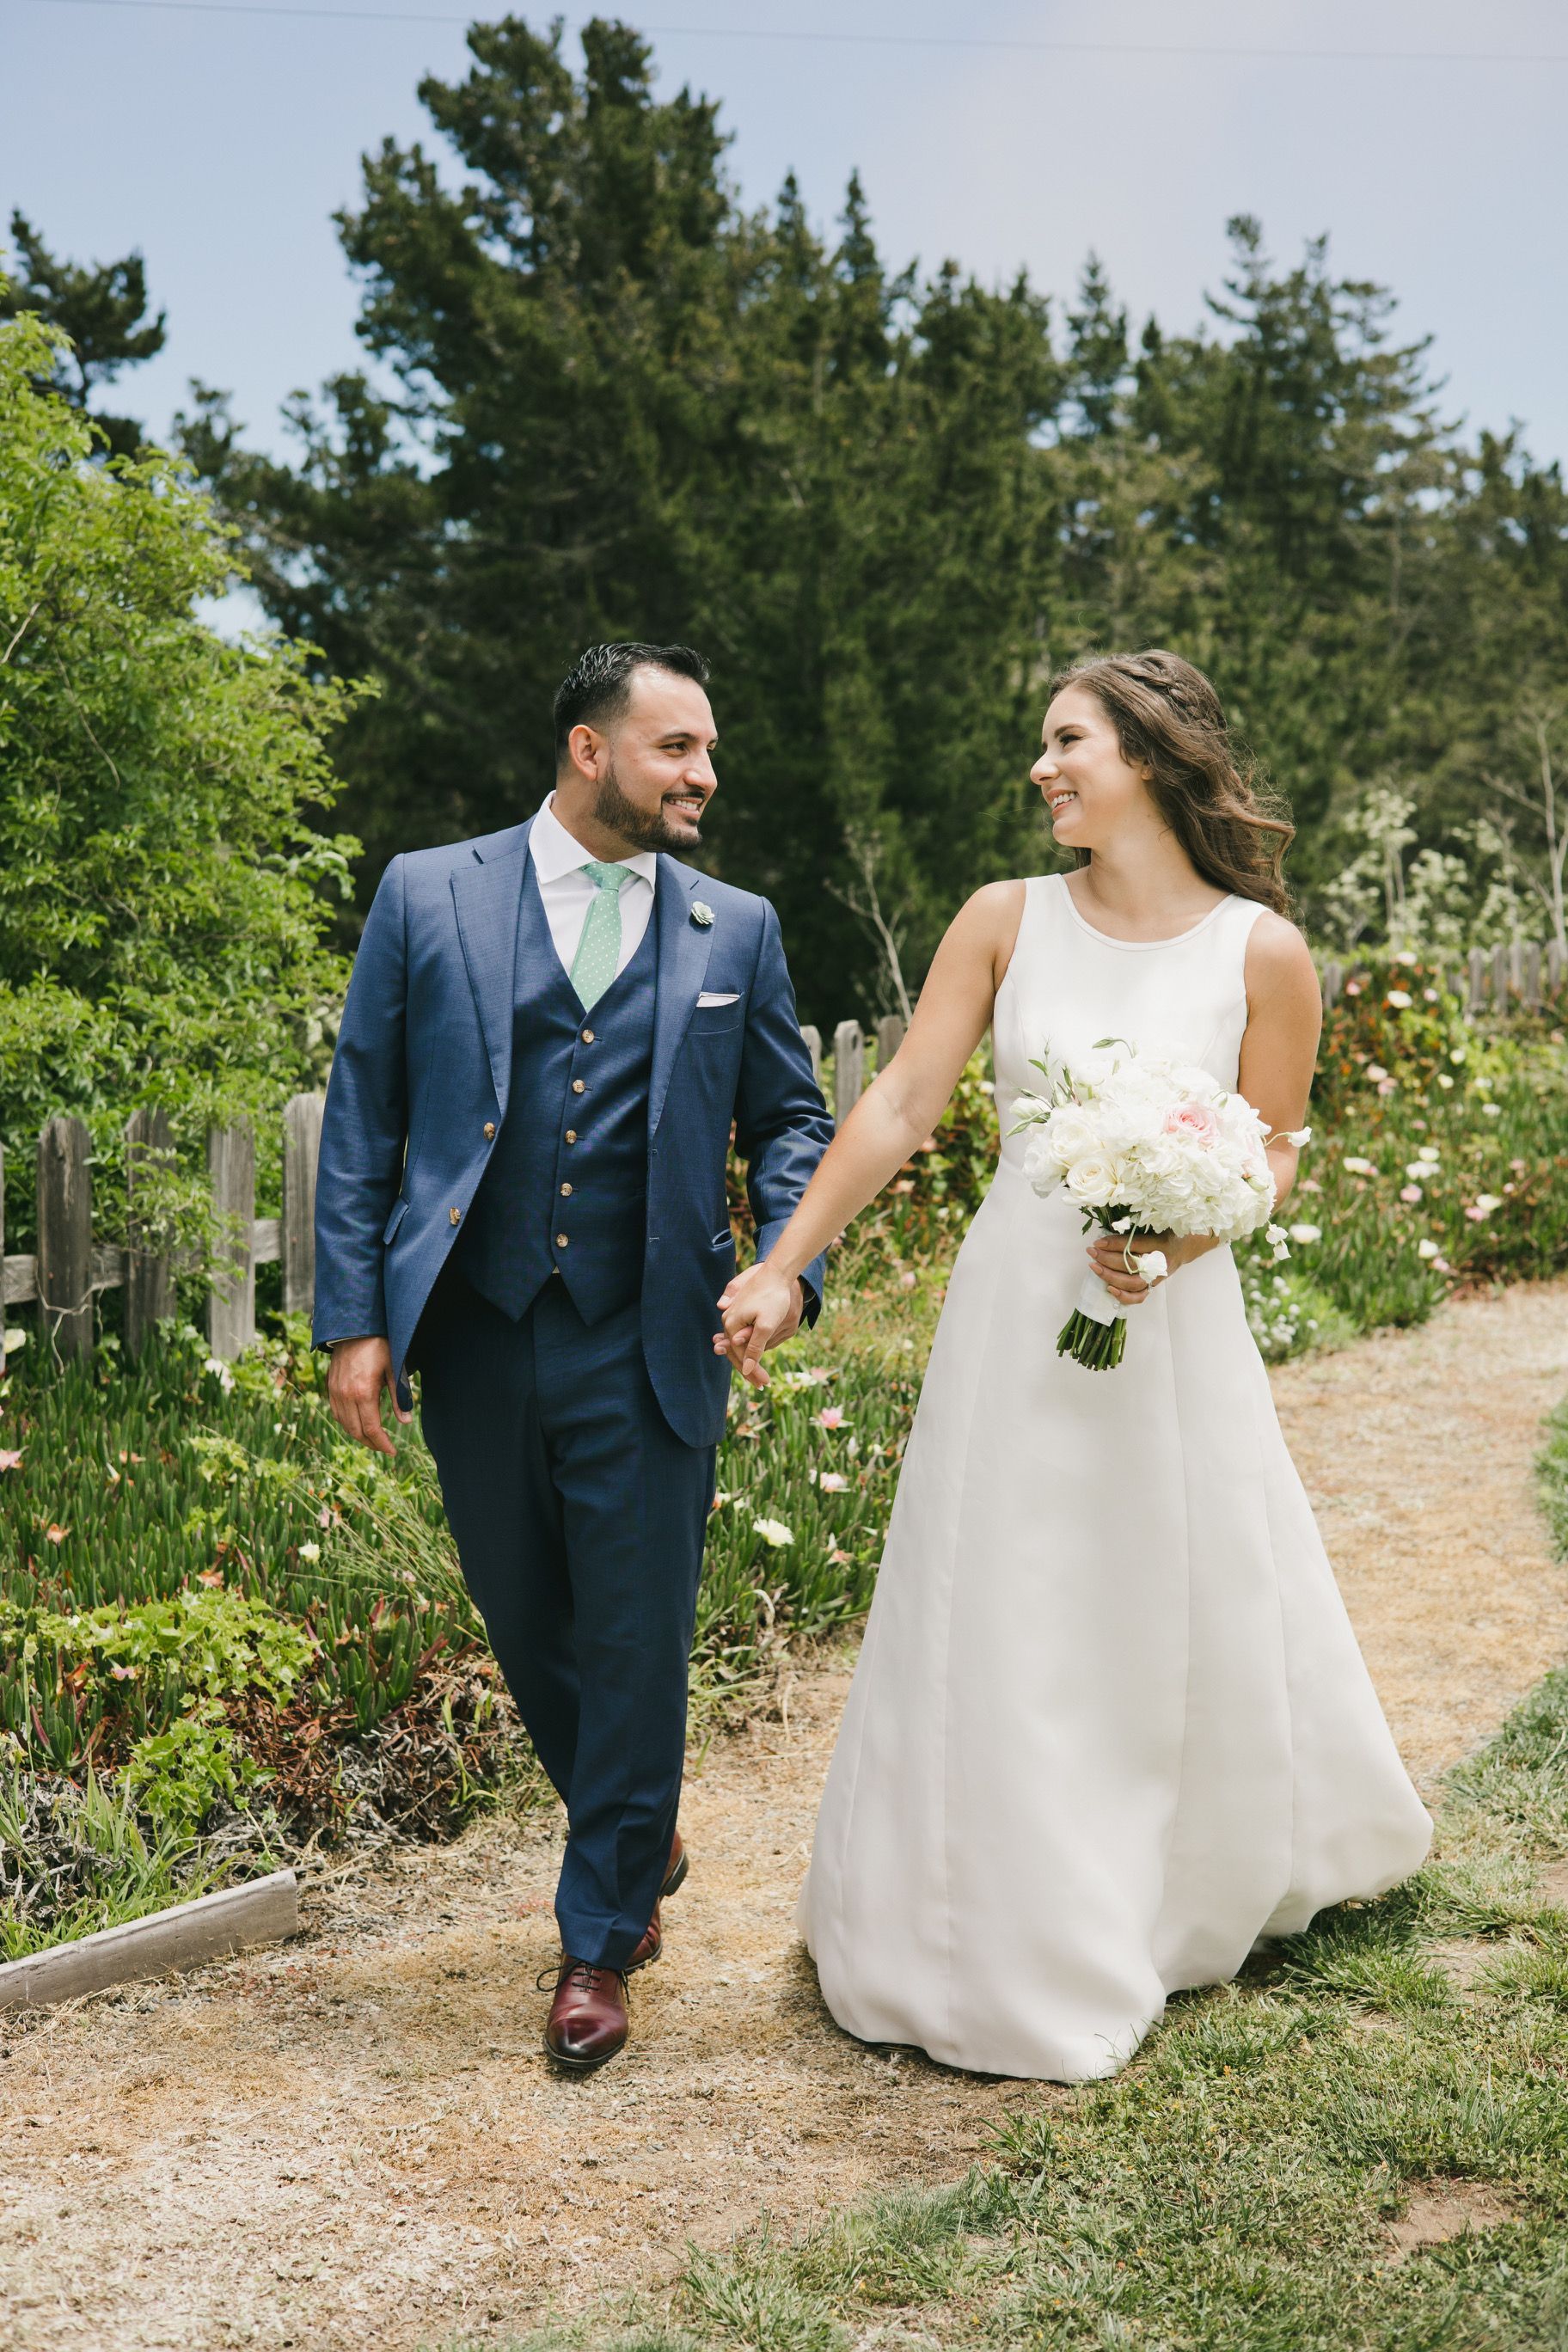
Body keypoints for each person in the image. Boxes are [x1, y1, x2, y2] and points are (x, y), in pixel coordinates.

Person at [716, 650, 1432, 2082]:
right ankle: (983, 1910)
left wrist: (1177, 1244)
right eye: (1043, 746)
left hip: (1169, 1317)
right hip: (1012, 1312)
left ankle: (1177, 1879)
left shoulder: (1260, 952)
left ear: (1150, 759)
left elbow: (1274, 1145)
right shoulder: (1004, 920)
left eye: (1067, 742)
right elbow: (906, 1102)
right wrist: (782, 1260)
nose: (1042, 769)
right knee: (1006, 1586)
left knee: (1168, 1580)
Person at [315, 641, 832, 2073]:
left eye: (710, 751)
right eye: (679, 749)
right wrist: (355, 1319)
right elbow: (363, 1112)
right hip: (476, 1330)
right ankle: (634, 1820)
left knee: (635, 1632)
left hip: (655, 1333)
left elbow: (793, 1119)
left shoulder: (737, 927)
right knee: (523, 1606)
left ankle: (599, 1941)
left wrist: (786, 1263)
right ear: (592, 752)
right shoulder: (431, 890)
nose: (706, 777)